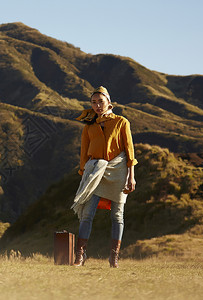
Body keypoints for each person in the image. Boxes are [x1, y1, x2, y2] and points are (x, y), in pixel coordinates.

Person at [71, 86, 137, 268]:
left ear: (109, 102)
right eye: (94, 102)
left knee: (117, 216)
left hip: (119, 171)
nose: (97, 105)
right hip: (95, 172)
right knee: (87, 214)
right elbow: (83, 154)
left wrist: (131, 177)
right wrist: (83, 175)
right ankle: (80, 256)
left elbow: (129, 151)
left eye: (101, 101)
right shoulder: (88, 127)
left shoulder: (121, 122)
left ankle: (114, 258)